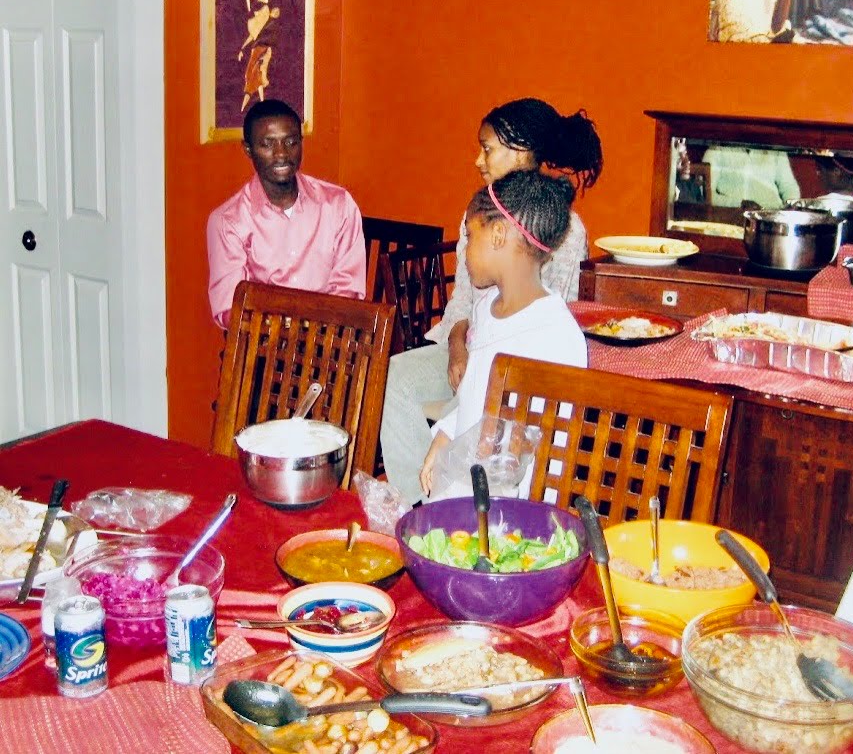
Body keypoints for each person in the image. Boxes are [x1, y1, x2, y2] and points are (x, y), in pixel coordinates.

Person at [380, 98, 602, 506]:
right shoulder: (481, 213)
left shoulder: (563, 231)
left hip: (510, 384)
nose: (478, 160)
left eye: (487, 148)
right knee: (394, 377)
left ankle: (447, 504)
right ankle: (415, 502)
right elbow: (463, 303)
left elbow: (557, 313)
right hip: (470, 344)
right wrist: (458, 346)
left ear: (521, 152)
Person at [418, 170, 588, 498]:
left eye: (470, 235)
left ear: (498, 234)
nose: (464, 250)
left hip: (508, 512)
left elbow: (551, 455)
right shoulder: (485, 309)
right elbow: (472, 398)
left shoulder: (556, 336)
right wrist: (443, 437)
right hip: (463, 487)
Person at [205, 99, 366, 328]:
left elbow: (348, 292)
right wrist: (279, 330)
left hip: (329, 342)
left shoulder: (338, 205)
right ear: (248, 149)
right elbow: (229, 309)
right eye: (268, 144)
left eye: (290, 142)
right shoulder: (228, 221)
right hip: (264, 346)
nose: (281, 154)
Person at [701, 145, 800, 208]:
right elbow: (705, 194)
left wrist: (791, 206)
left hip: (769, 218)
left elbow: (789, 187)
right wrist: (739, 204)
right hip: (730, 217)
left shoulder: (775, 150)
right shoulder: (717, 149)